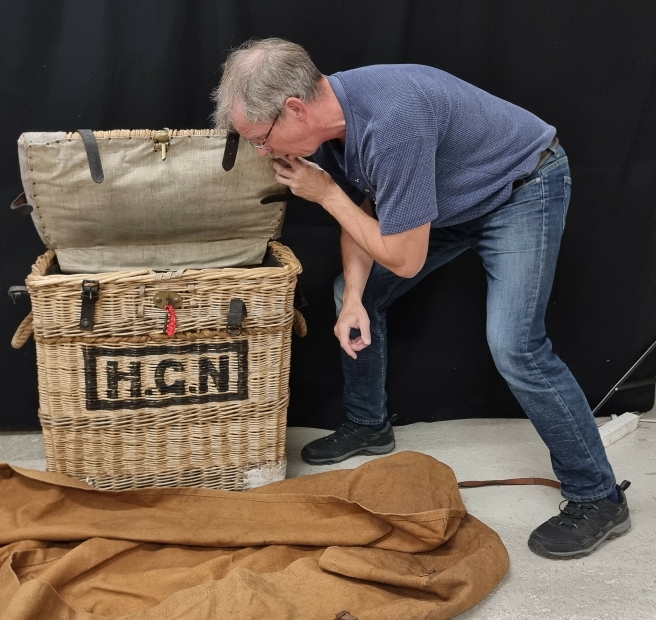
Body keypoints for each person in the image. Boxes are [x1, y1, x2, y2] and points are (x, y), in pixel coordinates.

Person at [212, 38, 632, 560]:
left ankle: (598, 496)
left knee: (515, 346)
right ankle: (368, 424)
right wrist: (353, 298)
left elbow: (403, 259)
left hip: (520, 188)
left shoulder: (393, 122)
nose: (263, 152)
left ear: (295, 109)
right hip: (447, 201)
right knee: (351, 292)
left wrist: (325, 194)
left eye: (261, 138)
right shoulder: (331, 127)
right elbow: (365, 214)